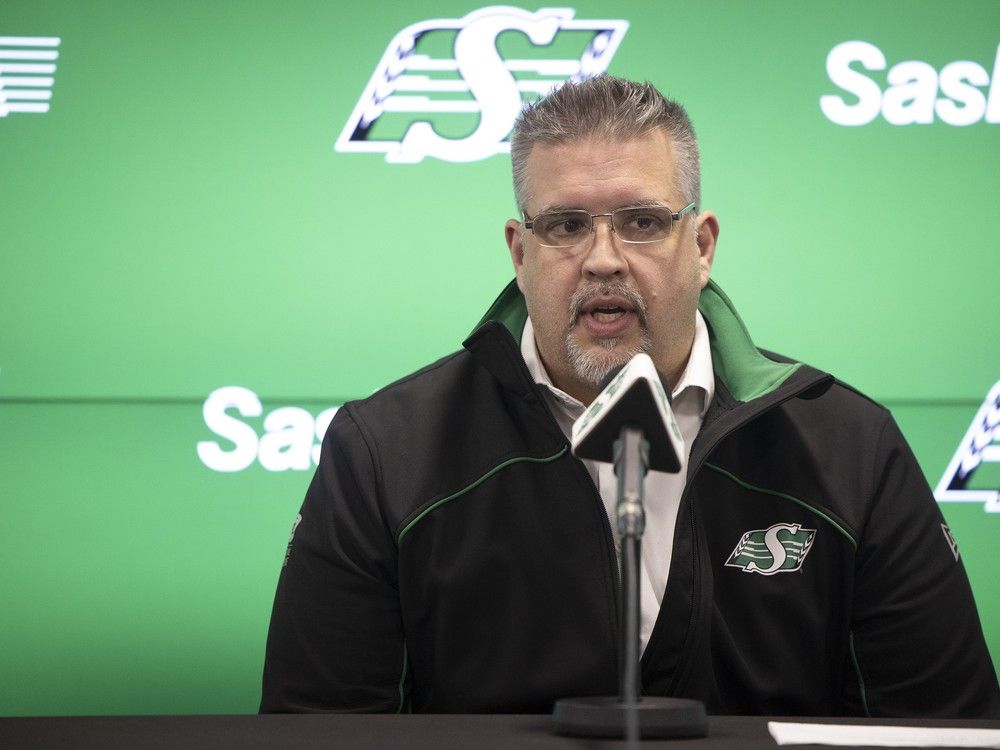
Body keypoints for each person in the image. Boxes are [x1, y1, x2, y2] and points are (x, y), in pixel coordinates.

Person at [260, 75, 1000, 717]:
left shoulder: (849, 449)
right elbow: (318, 729)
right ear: (520, 254)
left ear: (702, 246)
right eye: (567, 226)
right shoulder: (386, 454)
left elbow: (944, 727)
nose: (604, 259)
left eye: (643, 223)